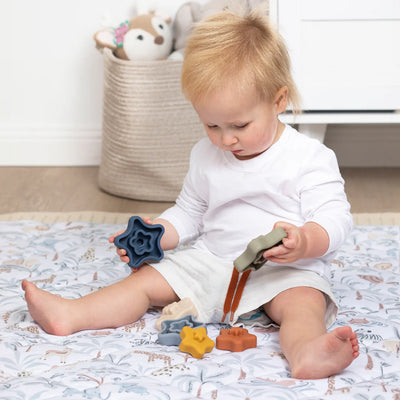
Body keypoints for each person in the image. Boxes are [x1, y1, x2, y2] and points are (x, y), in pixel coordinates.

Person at [22, 9, 359, 379]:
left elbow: (335, 217)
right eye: (211, 124)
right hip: (211, 261)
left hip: (282, 271)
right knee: (144, 282)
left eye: (240, 125)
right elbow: (190, 212)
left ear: (279, 101)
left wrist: (306, 241)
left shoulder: (308, 157)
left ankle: (307, 352)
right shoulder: (205, 154)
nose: (225, 139)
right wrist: (159, 234)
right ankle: (72, 314)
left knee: (303, 305)